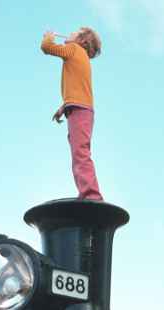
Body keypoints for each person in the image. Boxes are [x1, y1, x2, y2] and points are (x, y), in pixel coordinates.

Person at [41, 28, 103, 201]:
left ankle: (91, 195)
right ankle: (86, 192)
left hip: (79, 111)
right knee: (79, 153)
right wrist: (64, 107)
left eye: (75, 32)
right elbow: (78, 89)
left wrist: (49, 37)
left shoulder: (75, 49)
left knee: (80, 154)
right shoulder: (81, 57)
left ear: (82, 40)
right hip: (80, 110)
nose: (69, 33)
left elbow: (47, 48)